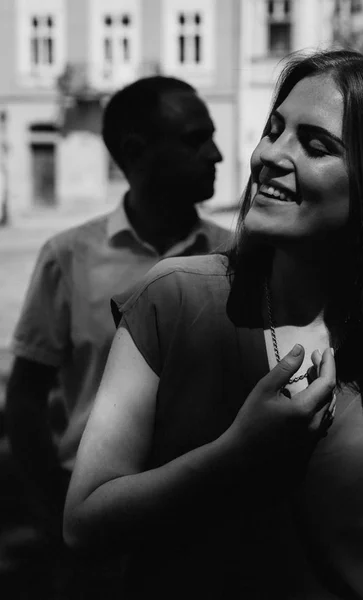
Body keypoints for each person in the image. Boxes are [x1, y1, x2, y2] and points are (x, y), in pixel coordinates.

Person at [63, 50, 363, 599]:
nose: (270, 155)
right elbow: (84, 522)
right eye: (273, 130)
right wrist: (235, 454)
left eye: (315, 145)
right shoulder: (172, 298)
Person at [5, 76, 229, 594]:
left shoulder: (236, 258)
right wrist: (53, 506)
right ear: (136, 150)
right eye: (196, 139)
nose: (216, 153)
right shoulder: (68, 256)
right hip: (99, 536)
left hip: (209, 524)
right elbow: (24, 399)